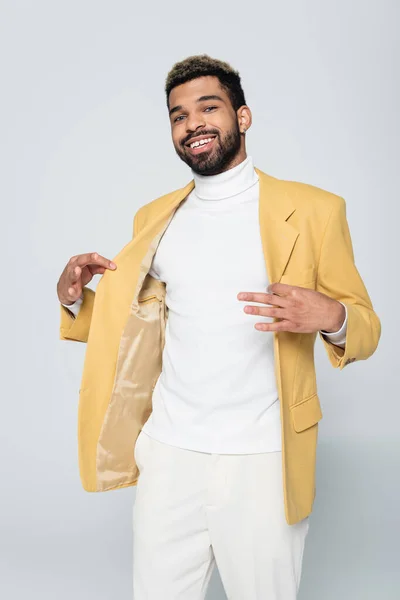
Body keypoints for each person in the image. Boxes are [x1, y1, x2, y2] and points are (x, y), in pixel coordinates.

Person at [57, 55, 381, 599]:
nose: (193, 124)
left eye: (209, 107)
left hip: (262, 456)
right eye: (178, 116)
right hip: (168, 454)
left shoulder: (315, 211)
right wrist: (73, 303)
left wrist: (333, 317)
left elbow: (366, 327)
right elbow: (137, 326)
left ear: (243, 117)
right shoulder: (154, 217)